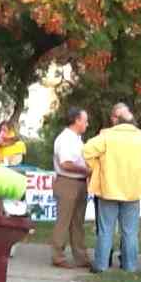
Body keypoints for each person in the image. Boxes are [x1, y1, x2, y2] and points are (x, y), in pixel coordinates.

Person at [83, 103, 141, 273]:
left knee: (106, 230)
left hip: (108, 189)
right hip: (133, 190)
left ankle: (101, 265)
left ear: (117, 122)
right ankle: (130, 266)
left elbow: (86, 152)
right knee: (130, 232)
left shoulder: (107, 136)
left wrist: (97, 169)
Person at [50, 107, 91, 268]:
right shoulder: (65, 139)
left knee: (78, 222)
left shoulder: (77, 139)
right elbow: (66, 164)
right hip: (68, 182)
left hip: (80, 183)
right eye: (85, 120)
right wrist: (87, 170)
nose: (87, 124)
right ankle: (58, 256)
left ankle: (81, 257)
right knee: (64, 221)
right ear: (76, 120)